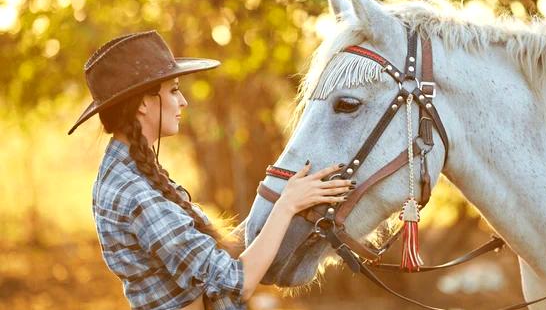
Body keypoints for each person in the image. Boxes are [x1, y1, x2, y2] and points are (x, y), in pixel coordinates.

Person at [67, 30, 353, 310]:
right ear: (143, 103)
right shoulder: (135, 194)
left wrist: (283, 202)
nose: (183, 102)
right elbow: (234, 283)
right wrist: (287, 204)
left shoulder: (129, 171)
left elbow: (207, 257)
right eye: (174, 91)